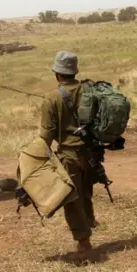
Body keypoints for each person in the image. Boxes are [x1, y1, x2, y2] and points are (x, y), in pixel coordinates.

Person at [39, 51, 96, 254]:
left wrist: (37, 161)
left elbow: (46, 137)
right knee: (86, 191)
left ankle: (83, 240)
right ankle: (89, 222)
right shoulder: (89, 90)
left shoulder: (52, 98)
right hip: (91, 154)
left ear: (57, 74)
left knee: (71, 199)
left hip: (68, 155)